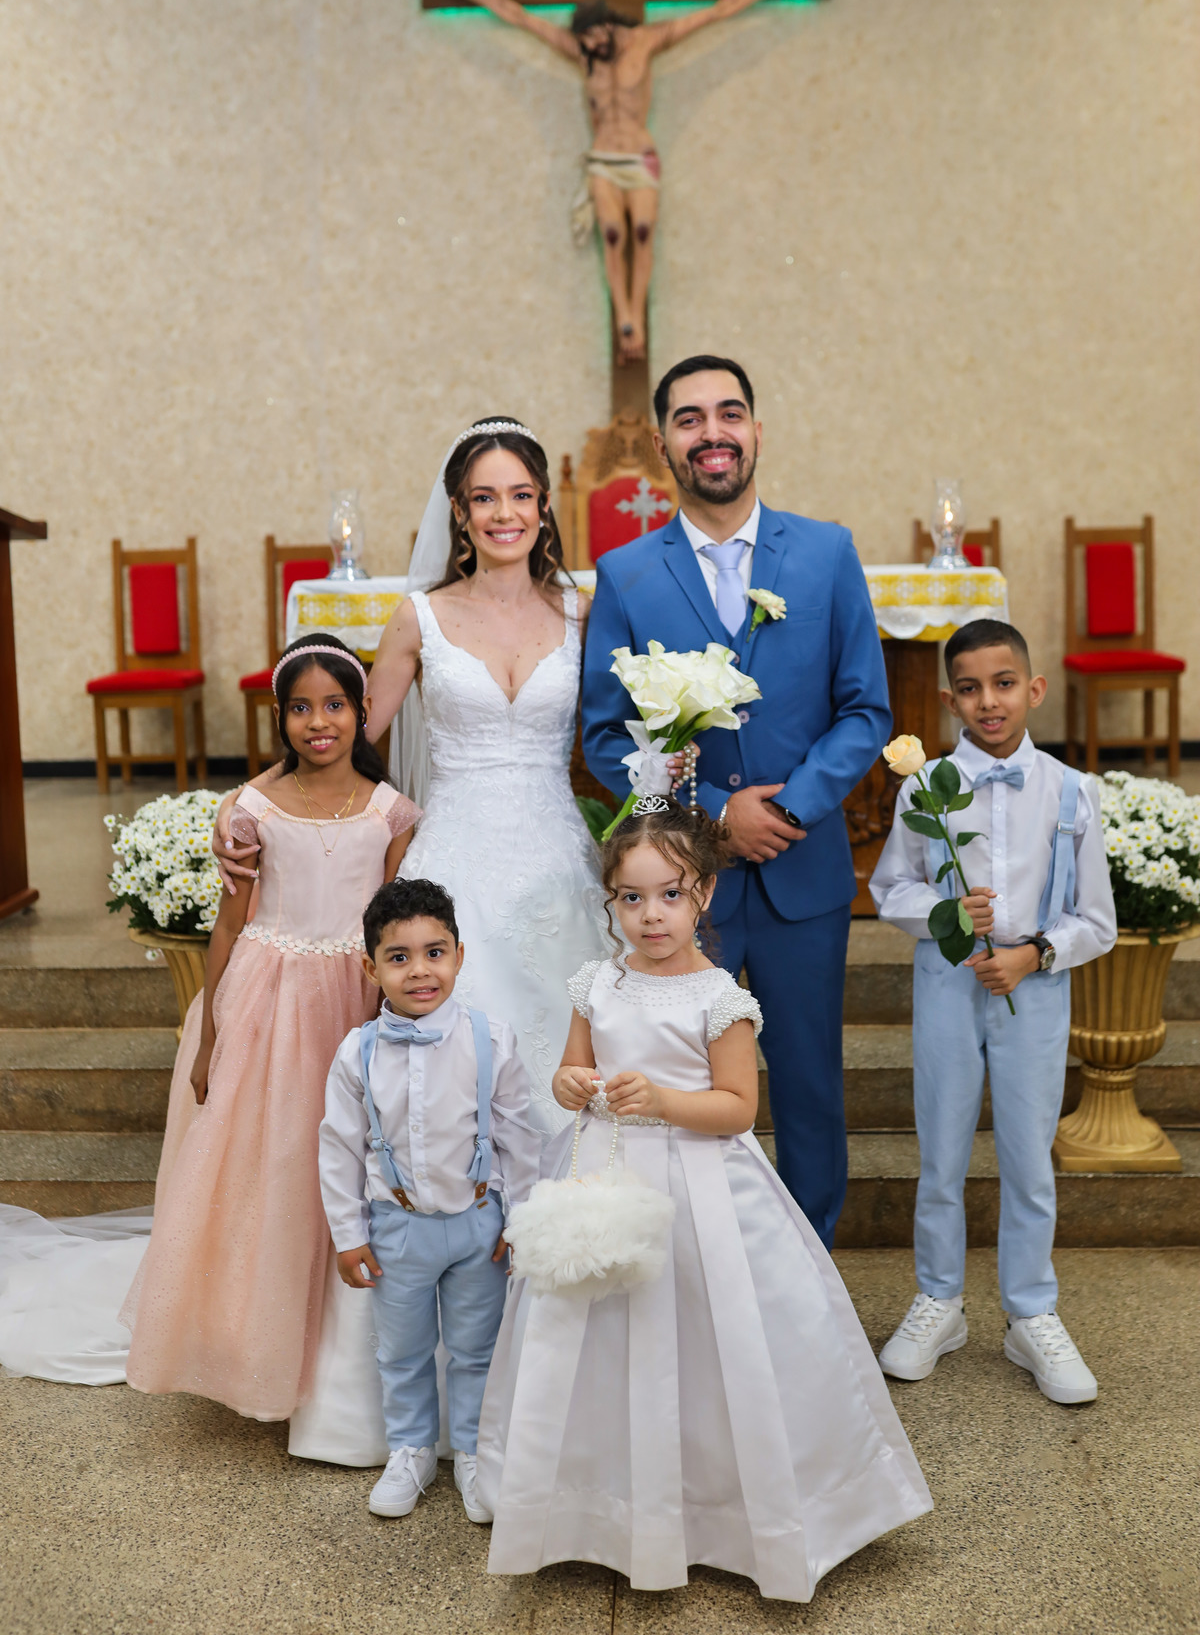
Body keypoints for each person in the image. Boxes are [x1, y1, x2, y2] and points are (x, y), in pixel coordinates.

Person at [477, 798, 931, 1602]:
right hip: (605, 1172)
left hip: (703, 1185)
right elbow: (572, 1070)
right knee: (595, 1332)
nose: (651, 915)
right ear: (611, 900)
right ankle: (591, 1502)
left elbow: (737, 1108)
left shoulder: (720, 997)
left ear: (705, 894)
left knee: (709, 1337)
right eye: (631, 897)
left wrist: (662, 1100)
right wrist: (572, 1082)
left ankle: (721, 1509)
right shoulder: (597, 983)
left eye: (670, 894)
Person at [215, 418, 607, 1137]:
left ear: (544, 504)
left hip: (559, 860)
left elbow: (619, 729)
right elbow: (343, 734)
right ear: (459, 510)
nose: (504, 514)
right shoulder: (419, 617)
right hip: (455, 852)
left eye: (521, 495)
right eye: (484, 498)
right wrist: (249, 799)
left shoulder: (583, 611)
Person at [581, 355, 891, 1249]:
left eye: (729, 413)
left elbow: (865, 710)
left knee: (808, 1081)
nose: (711, 433)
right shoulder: (627, 573)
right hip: (681, 888)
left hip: (802, 873)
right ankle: (698, 1273)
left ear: (757, 430)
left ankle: (807, 1271)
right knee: (682, 1080)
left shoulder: (826, 553)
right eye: (690, 419)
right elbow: (604, 736)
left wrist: (786, 810)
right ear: (662, 444)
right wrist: (717, 814)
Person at [121, 636, 420, 1432]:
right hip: (268, 1001)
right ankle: (248, 1342)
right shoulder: (255, 811)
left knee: (338, 1159)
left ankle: (335, 1353)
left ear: (363, 712)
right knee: (271, 1165)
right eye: (299, 708)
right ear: (280, 718)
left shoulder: (391, 813)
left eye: (335, 705)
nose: (318, 722)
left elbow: (390, 925)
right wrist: (211, 1034)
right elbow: (229, 924)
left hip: (350, 1000)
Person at [870, 620, 1117, 1404]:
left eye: (1004, 683)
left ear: (1033, 689)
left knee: (1029, 1156)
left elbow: (1097, 920)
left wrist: (1035, 953)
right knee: (941, 1150)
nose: (989, 701)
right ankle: (939, 1301)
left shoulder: (1073, 792)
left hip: (1033, 990)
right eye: (970, 688)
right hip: (949, 979)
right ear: (950, 702)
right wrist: (945, 912)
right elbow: (890, 889)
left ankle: (1030, 1312)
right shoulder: (925, 787)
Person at [319, 878, 539, 1522]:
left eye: (434, 952)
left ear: (459, 956)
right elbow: (339, 1148)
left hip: (479, 1226)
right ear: (372, 968)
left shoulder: (491, 1039)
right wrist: (348, 1235)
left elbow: (520, 1138)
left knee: (476, 1347)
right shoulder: (356, 1053)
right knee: (402, 1349)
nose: (420, 970)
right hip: (397, 1229)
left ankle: (471, 1451)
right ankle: (411, 1449)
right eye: (399, 957)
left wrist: (521, 1221)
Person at [444, 0, 796, 362]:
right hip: (604, 159)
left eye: (596, 40)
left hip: (638, 156)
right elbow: (522, 18)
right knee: (612, 234)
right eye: (585, 43)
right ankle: (625, 319)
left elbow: (716, 12)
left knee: (642, 231)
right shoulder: (581, 50)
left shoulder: (646, 41)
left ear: (609, 26)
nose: (592, 48)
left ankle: (637, 318)